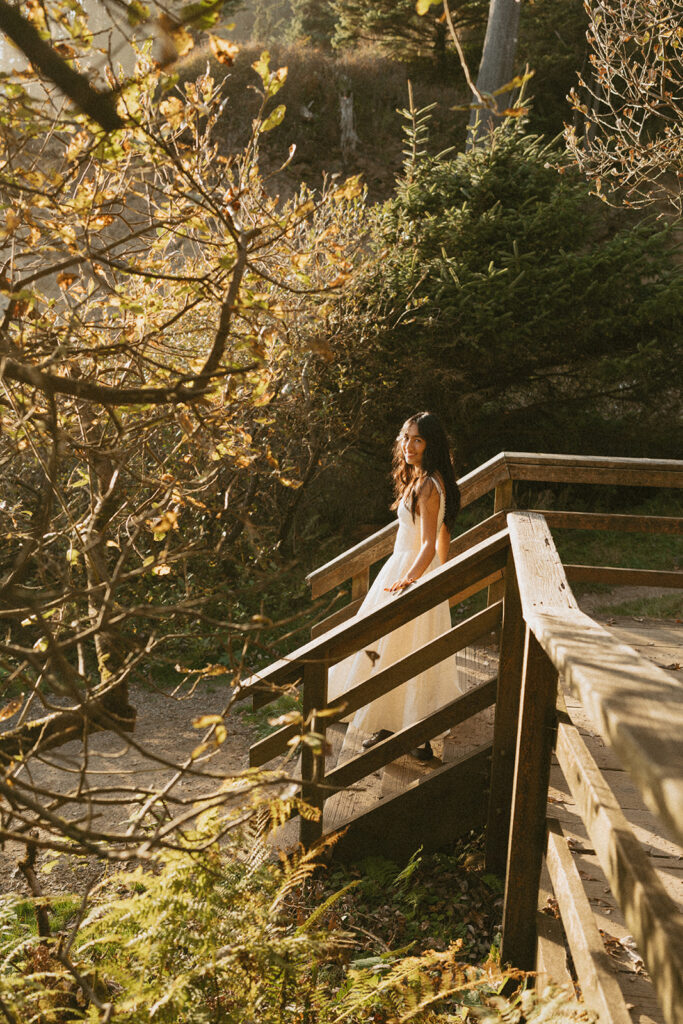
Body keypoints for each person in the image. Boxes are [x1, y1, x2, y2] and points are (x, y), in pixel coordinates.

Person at [327, 411, 461, 762]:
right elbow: (444, 535)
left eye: (418, 440)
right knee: (391, 649)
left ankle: (419, 737)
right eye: (406, 438)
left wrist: (414, 579)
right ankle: (390, 725)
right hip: (405, 568)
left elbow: (431, 542)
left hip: (411, 570)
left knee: (408, 650)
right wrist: (436, 573)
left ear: (431, 445)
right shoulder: (420, 480)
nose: (409, 446)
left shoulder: (430, 485)